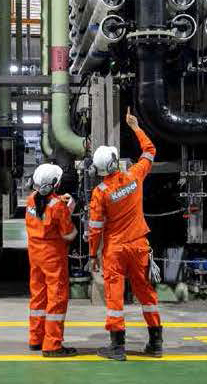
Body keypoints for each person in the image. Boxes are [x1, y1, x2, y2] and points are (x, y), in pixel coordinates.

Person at [87, 109, 162, 360]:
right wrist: (135, 127)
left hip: (115, 251)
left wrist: (92, 255)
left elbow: (95, 227)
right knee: (146, 294)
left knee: (115, 297)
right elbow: (150, 151)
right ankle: (156, 342)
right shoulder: (134, 176)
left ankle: (117, 347)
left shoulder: (100, 192)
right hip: (139, 246)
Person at [25, 162, 77, 357]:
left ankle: (36, 339)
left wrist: (60, 203)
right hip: (53, 257)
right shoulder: (58, 207)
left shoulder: (30, 200)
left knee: (38, 296)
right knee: (56, 298)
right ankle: (53, 344)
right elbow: (68, 234)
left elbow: (43, 210)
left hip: (35, 256)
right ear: (54, 184)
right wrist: (68, 208)